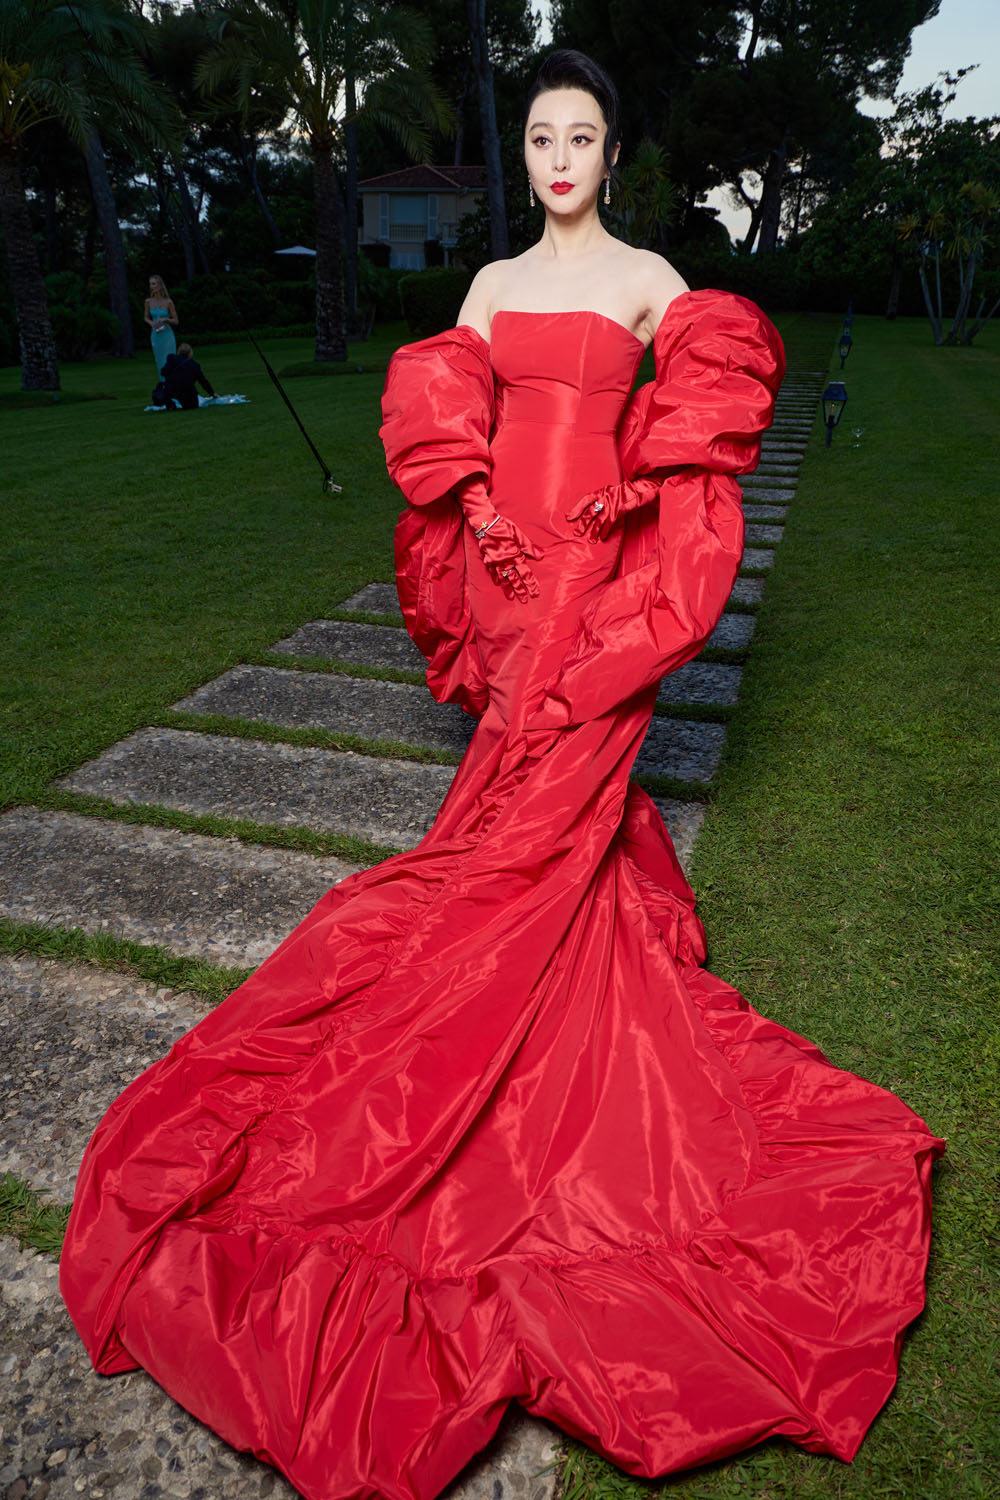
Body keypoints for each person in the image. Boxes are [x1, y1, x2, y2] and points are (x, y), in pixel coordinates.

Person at [59, 49, 943, 1500]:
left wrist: (636, 488)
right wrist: (474, 507)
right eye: (541, 136)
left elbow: (716, 392)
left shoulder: (652, 280)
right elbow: (444, 412)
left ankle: (491, 1037)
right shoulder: (485, 284)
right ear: (521, 151)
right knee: (522, 815)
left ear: (614, 151)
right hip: (507, 572)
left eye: (583, 134)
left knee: (541, 813)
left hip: (592, 580)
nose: (561, 156)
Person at [154, 342, 216, 410]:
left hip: (172, 391)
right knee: (191, 404)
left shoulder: (172, 359)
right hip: (188, 394)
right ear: (190, 352)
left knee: (160, 386)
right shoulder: (194, 365)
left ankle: (169, 402)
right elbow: (203, 381)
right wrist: (212, 393)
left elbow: (163, 372)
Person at [144, 273, 177, 374]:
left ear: (159, 285)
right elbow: (146, 317)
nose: (151, 286)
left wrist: (166, 319)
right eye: (150, 284)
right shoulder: (148, 302)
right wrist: (151, 323)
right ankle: (163, 383)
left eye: (153, 284)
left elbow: (176, 321)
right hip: (155, 335)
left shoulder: (168, 302)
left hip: (167, 335)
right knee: (160, 362)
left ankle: (173, 383)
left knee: (170, 362)